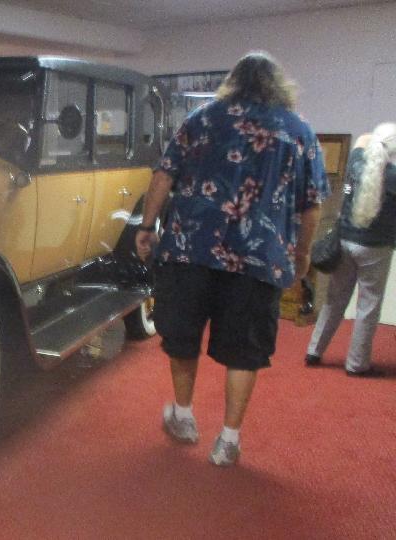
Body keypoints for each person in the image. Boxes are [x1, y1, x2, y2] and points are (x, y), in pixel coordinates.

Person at [136, 51, 328, 466]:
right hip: (259, 257)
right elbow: (312, 204)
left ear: (233, 81)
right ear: (278, 84)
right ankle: (228, 440)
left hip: (192, 248)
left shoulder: (202, 119)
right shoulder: (298, 131)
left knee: (182, 335)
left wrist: (147, 226)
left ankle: (183, 416)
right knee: (245, 349)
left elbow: (164, 174)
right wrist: (302, 255)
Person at [305, 123, 396, 377]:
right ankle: (356, 364)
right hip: (375, 248)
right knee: (368, 306)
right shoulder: (393, 177)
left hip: (344, 241)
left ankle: (314, 350)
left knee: (334, 300)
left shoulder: (356, 162)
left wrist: (378, 138)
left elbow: (364, 138)